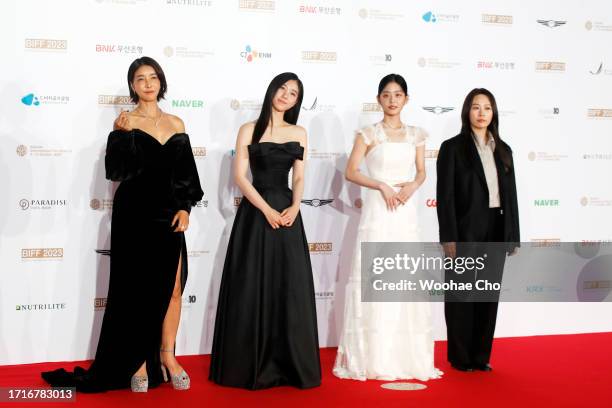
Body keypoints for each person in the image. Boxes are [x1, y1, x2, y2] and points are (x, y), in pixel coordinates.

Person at [42, 56, 203, 392]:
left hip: (169, 215)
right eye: (140, 78)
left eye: (153, 77)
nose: (148, 83)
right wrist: (123, 136)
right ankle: (138, 362)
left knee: (173, 288)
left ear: (161, 82)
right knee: (135, 292)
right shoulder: (124, 121)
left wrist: (185, 207)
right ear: (132, 85)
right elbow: (117, 173)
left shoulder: (177, 123)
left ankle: (168, 355)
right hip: (134, 214)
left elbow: (185, 175)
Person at [209, 72, 321, 390]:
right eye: (283, 89)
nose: (286, 95)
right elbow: (241, 178)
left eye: (294, 93)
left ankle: (288, 364)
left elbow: (299, 176)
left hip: (287, 213)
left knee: (289, 286)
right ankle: (250, 364)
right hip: (256, 215)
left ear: (297, 101)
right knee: (251, 286)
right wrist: (265, 209)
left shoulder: (299, 131)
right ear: (272, 90)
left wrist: (296, 206)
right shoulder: (249, 129)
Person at [333, 74, 442, 381]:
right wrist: (381, 185)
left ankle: (407, 356)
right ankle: (374, 356)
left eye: (398, 95)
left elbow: (421, 172)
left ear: (406, 99)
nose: (392, 100)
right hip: (378, 214)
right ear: (378, 99)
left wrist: (411, 187)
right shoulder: (368, 134)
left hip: (405, 214)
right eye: (386, 95)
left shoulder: (417, 134)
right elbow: (351, 172)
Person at [436, 88, 520, 372]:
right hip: (464, 229)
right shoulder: (452, 148)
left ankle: (480, 356)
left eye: (487, 107)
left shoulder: (504, 149)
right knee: (461, 293)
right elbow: (444, 196)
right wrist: (448, 235)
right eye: (476, 107)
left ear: (493, 112)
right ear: (466, 112)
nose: (482, 113)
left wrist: (512, 235)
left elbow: (511, 196)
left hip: (496, 227)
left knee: (487, 293)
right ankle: (461, 357)